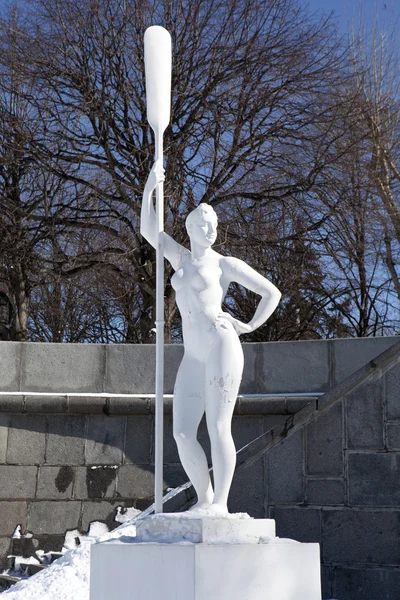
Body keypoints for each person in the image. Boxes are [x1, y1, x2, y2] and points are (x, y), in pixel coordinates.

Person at [141, 161, 281, 515]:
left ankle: (220, 503)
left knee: (219, 426)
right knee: (183, 433)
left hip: (220, 344)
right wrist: (150, 188)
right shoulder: (181, 260)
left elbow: (271, 293)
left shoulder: (224, 264)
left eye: (215, 225)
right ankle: (203, 499)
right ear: (190, 227)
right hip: (193, 354)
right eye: (204, 224)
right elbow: (150, 232)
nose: (212, 229)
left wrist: (248, 326)